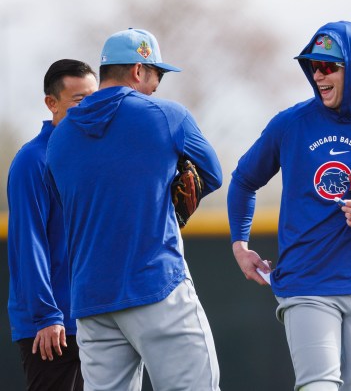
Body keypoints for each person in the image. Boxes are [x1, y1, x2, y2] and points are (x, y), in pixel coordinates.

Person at [227, 21, 351, 391]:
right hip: (306, 284)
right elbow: (243, 180)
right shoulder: (291, 124)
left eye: (328, 66)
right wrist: (239, 246)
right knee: (318, 385)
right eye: (313, 66)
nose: (318, 74)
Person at [46, 29, 223, 391]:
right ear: (138, 70)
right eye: (156, 73)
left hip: (91, 301)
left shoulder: (59, 138)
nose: (158, 82)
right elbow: (213, 175)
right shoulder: (167, 115)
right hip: (155, 283)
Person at [7, 59, 97, 391]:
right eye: (78, 100)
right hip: (53, 327)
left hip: (96, 318)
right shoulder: (33, 161)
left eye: (93, 97)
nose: (88, 106)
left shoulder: (91, 156)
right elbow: (28, 245)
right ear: (52, 103)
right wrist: (47, 316)